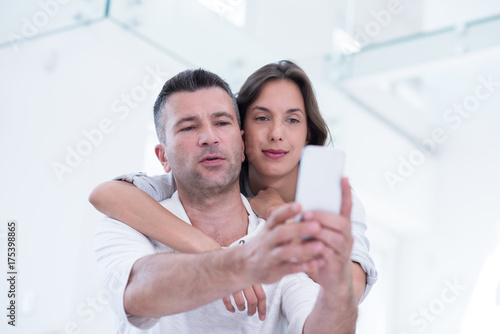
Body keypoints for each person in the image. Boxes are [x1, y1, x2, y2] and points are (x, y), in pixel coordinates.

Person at [90, 60, 377, 317]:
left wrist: (282, 215)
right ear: (243, 133)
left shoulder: (329, 198)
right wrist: (210, 249)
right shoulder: (211, 173)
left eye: (292, 120)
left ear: (307, 136)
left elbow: (348, 289)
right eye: (262, 118)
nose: (276, 134)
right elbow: (107, 195)